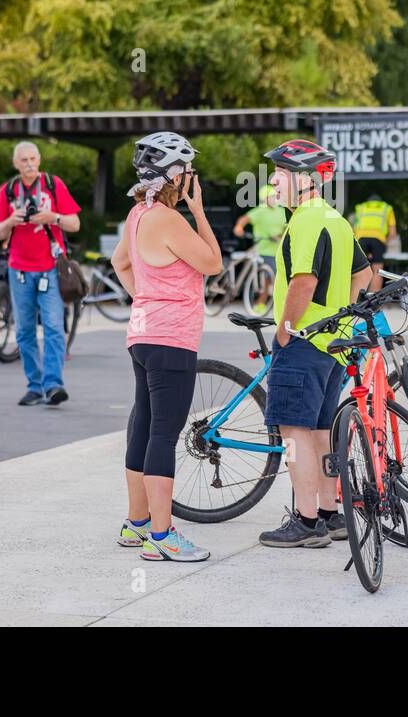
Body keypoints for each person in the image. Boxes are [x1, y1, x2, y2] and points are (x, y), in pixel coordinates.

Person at [110, 132, 221, 562]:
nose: (192, 177)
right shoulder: (172, 221)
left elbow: (120, 262)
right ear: (176, 175)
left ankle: (136, 523)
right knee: (163, 434)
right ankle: (161, 535)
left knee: (143, 426)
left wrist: (144, 298)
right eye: (188, 171)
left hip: (142, 336)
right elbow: (214, 263)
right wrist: (199, 211)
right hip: (172, 339)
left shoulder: (137, 214)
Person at [259, 140, 371, 548]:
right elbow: (364, 273)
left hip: (304, 341)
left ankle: (306, 522)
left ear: (304, 179)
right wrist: (343, 311)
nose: (273, 179)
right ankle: (329, 513)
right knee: (321, 430)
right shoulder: (336, 219)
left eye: (281, 172)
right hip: (334, 343)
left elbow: (303, 281)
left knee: (293, 431)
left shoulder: (305, 221)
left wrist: (286, 328)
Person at [0, 141, 81, 406]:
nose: (29, 165)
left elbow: (74, 223)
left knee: (53, 327)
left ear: (39, 160)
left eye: (33, 159)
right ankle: (34, 384)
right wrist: (11, 221)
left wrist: (52, 217)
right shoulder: (8, 190)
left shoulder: (54, 184)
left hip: (50, 267)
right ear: (15, 163)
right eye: (24, 160)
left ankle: (53, 385)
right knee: (24, 331)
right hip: (19, 269)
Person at [233, 184, 285, 307]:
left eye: (275, 196)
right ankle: (261, 303)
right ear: (264, 198)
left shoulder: (282, 211)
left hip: (279, 250)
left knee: (277, 278)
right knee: (269, 278)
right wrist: (239, 227)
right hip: (264, 250)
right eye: (270, 196)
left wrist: (280, 236)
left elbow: (286, 227)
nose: (273, 199)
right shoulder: (260, 210)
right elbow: (243, 220)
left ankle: (273, 303)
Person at [351, 193, 396, 289]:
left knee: (359, 270)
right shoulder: (386, 208)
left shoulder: (361, 208)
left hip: (361, 239)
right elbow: (392, 233)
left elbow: (353, 229)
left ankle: (356, 300)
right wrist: (385, 242)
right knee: (377, 271)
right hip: (378, 239)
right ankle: (374, 300)